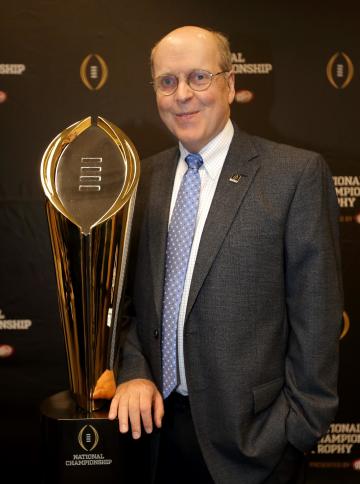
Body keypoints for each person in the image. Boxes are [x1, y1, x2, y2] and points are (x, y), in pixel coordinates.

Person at [108, 25, 343, 484]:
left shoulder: (294, 175)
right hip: (153, 436)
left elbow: (318, 315)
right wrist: (133, 372)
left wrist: (297, 429)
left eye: (199, 77)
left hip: (256, 446)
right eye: (167, 81)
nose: (182, 95)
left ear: (230, 84)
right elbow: (128, 304)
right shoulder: (141, 178)